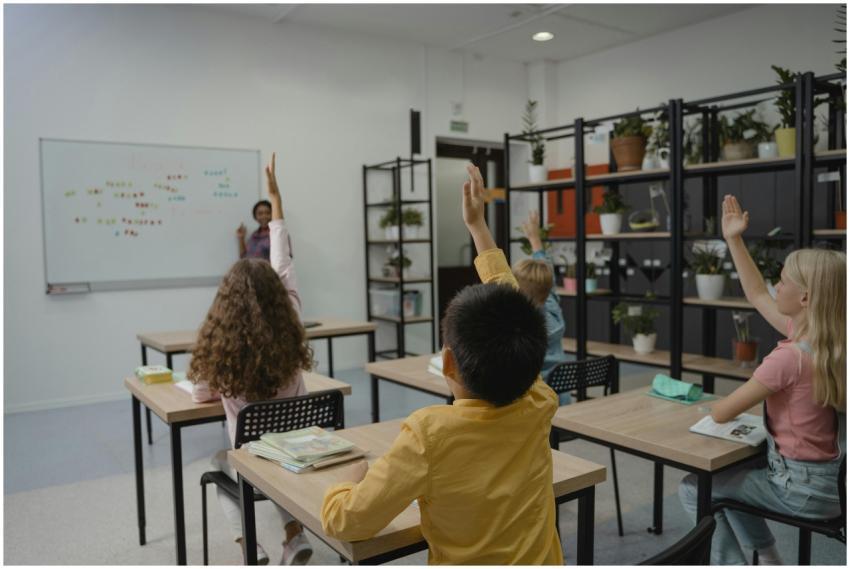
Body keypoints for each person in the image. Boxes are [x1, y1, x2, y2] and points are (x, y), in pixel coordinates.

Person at [320, 164, 563, 564]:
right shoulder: (538, 399)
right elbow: (510, 300)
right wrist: (478, 227)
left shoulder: (428, 435)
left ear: (447, 361)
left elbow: (345, 521)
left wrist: (345, 484)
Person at [678, 194, 845, 565]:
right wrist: (734, 239)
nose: (775, 286)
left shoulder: (789, 358)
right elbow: (755, 293)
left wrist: (709, 404)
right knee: (730, 483)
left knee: (696, 488)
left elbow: (722, 412)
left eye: (783, 281)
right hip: (832, 484)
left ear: (804, 297)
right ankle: (768, 558)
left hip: (799, 489)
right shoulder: (831, 342)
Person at [189, 153, 314, 565]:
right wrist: (277, 198)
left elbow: (201, 395)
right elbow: (283, 260)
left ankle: (250, 548)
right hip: (298, 448)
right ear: (280, 297)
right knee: (275, 458)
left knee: (222, 462)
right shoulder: (292, 317)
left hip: (255, 457)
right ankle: (294, 536)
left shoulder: (220, 350)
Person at [516, 209, 571, 405]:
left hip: (536, 410)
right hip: (562, 403)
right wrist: (534, 239)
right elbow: (549, 277)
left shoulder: (521, 326)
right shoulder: (552, 307)